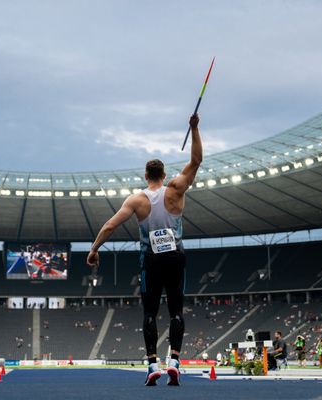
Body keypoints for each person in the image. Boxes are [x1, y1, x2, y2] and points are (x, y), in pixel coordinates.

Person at [87, 114, 203, 386]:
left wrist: (94, 250)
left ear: (146, 176)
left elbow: (109, 226)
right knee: (176, 311)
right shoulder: (175, 189)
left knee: (149, 313)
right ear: (163, 176)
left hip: (150, 260)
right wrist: (195, 129)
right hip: (175, 257)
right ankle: (174, 360)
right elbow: (196, 161)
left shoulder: (137, 200)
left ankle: (152, 364)